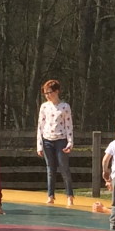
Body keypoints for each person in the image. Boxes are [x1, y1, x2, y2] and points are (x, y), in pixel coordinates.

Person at [35, 79, 76, 207]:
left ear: (57, 91)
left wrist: (70, 142)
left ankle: (69, 195)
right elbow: (40, 126)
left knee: (64, 168)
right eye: (45, 93)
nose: (47, 95)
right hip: (47, 140)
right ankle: (50, 195)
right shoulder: (44, 107)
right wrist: (39, 144)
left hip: (61, 139)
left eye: (49, 92)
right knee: (50, 169)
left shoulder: (65, 107)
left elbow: (69, 125)